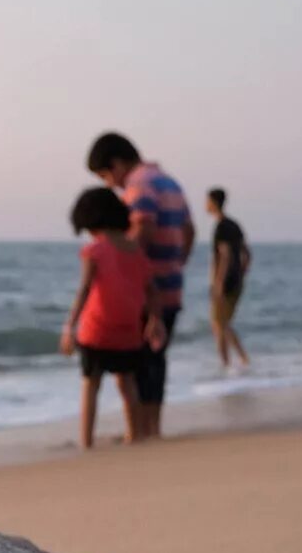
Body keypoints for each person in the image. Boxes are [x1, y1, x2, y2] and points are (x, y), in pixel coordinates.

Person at [86, 132, 193, 440]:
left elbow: (143, 227)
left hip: (147, 292)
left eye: (107, 175)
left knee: (139, 362)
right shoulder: (169, 182)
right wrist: (176, 264)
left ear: (118, 163)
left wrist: (121, 265)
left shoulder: (139, 184)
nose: (110, 184)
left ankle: (142, 431)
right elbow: (189, 229)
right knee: (156, 360)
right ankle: (152, 428)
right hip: (172, 285)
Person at [59, 188, 159, 449]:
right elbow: (151, 291)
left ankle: (86, 441)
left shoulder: (95, 251)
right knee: (128, 385)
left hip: (96, 330)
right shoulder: (136, 252)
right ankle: (135, 435)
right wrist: (155, 320)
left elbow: (84, 289)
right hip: (128, 332)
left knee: (91, 386)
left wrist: (69, 326)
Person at [204, 187, 252, 369]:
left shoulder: (222, 227)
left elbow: (225, 255)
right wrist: (242, 272)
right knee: (224, 323)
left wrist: (218, 283)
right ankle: (241, 359)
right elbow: (247, 254)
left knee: (218, 324)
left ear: (214, 202)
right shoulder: (234, 225)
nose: (205, 205)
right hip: (236, 281)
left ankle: (226, 363)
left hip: (225, 282)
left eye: (207, 201)